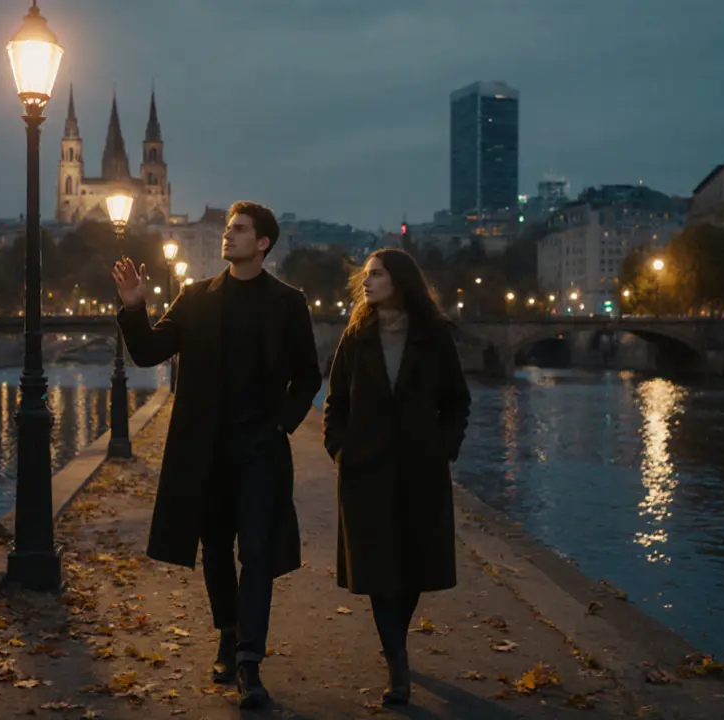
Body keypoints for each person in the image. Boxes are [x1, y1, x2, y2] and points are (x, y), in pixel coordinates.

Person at [110, 200, 322, 709]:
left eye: (239, 230)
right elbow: (147, 352)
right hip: (204, 451)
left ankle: (249, 660)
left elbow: (309, 376)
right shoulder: (196, 298)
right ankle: (228, 632)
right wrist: (134, 307)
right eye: (228, 229)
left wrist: (281, 423)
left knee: (257, 551)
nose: (228, 236)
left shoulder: (288, 303)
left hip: (260, 452)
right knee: (216, 551)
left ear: (263, 243)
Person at [321, 248, 471, 705]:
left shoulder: (434, 335)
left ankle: (395, 646)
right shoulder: (356, 334)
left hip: (420, 469)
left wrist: (443, 448)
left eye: (377, 275)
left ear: (400, 280)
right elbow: (336, 401)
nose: (367, 283)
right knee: (378, 569)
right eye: (366, 276)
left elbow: (456, 401)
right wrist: (339, 447)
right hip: (365, 471)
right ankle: (397, 663)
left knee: (411, 569)